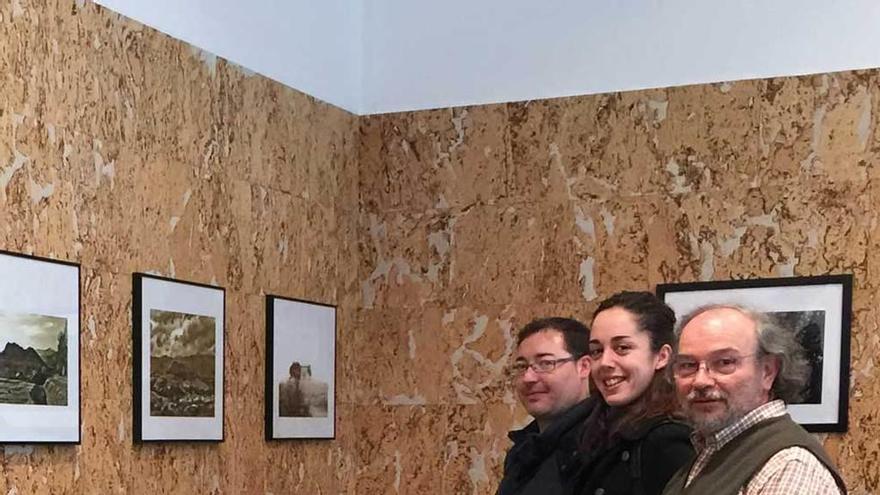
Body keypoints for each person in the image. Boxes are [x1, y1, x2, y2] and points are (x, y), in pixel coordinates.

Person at [662, 305, 847, 495]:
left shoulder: (787, 466)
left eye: (725, 363)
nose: (700, 381)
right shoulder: (710, 450)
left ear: (768, 371)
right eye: (687, 365)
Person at [576, 291, 694, 495]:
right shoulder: (594, 429)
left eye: (622, 348)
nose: (605, 363)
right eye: (597, 351)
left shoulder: (667, 441)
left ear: (662, 356)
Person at [497, 317, 594, 495]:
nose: (528, 378)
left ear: (584, 366)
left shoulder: (601, 445)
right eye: (521, 366)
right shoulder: (525, 450)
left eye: (546, 363)